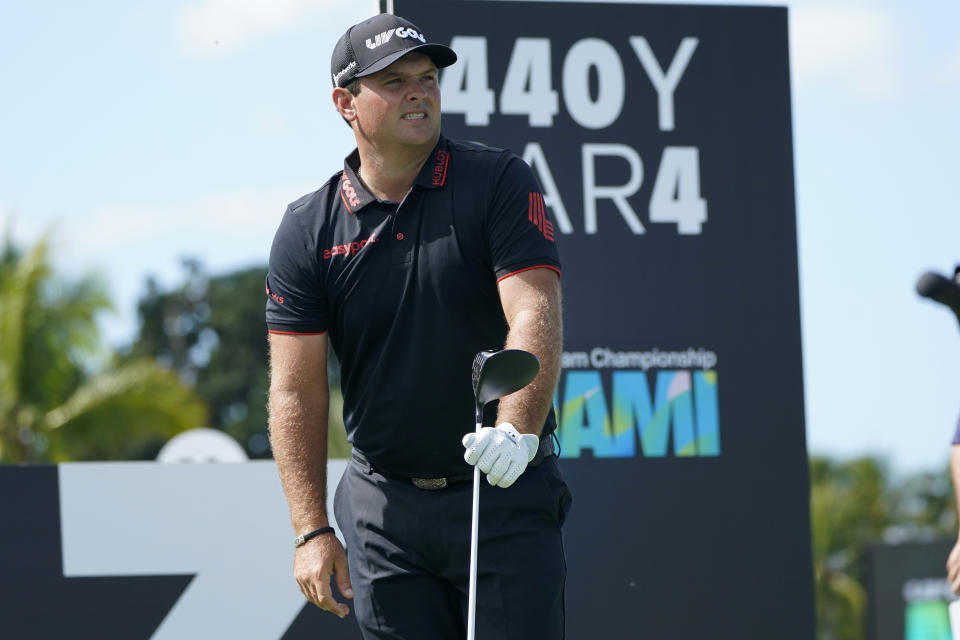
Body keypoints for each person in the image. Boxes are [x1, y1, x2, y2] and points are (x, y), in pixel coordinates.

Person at [265, 13, 571, 639]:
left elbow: (534, 310)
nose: (418, 92)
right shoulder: (307, 229)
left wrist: (517, 432)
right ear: (344, 104)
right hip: (384, 514)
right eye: (395, 80)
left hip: (500, 488)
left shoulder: (496, 182)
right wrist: (311, 528)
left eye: (427, 78)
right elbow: (295, 390)